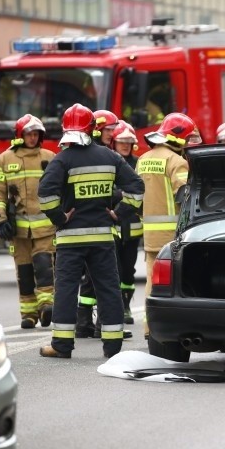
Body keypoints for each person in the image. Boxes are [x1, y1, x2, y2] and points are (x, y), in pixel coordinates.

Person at [38, 103, 144, 359]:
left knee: (66, 290)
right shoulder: (110, 157)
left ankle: (62, 346)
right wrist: (119, 213)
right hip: (102, 237)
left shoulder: (62, 159)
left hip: (70, 238)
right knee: (108, 288)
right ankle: (113, 347)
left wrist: (60, 217)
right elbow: (137, 188)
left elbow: (44, 194)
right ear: (92, 128)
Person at [0, 114, 56, 329]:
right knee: (25, 272)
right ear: (20, 135)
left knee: (45, 266)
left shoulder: (49, 157)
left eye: (36, 134)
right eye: (29, 133)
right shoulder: (5, 159)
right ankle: (29, 314)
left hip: (45, 226)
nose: (32, 138)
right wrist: (0, 220)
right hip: (18, 229)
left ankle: (47, 306)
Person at [75, 109, 135, 337]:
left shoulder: (104, 153)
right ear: (97, 129)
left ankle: (85, 323)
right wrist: (118, 200)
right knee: (106, 275)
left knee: (95, 275)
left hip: (103, 223)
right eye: (109, 129)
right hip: (98, 221)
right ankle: (101, 324)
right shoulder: (100, 155)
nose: (114, 133)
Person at [138, 112, 195, 339]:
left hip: (150, 234)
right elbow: (185, 196)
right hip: (173, 234)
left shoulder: (144, 159)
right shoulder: (177, 161)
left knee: (153, 281)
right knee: (177, 283)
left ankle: (148, 327)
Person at [110, 121, 143, 327]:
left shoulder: (138, 164)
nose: (125, 146)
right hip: (113, 223)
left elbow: (142, 190)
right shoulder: (108, 162)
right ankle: (116, 306)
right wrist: (120, 194)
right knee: (115, 268)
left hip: (132, 224)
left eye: (128, 142)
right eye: (121, 142)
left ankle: (126, 306)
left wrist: (118, 194)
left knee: (129, 270)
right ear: (114, 143)